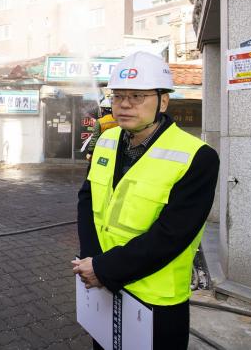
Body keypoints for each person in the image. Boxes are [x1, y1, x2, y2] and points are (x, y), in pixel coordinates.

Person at [73, 51, 219, 350]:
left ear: (163, 101)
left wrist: (103, 269)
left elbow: (172, 235)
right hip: (103, 286)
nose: (124, 104)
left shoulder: (197, 156)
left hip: (155, 300)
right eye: (118, 96)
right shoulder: (108, 140)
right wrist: (92, 262)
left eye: (137, 96)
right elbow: (87, 201)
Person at [85, 97, 118, 161]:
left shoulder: (100, 122)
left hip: (102, 150)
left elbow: (95, 138)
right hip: (117, 150)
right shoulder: (119, 121)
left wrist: (90, 152)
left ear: (103, 110)